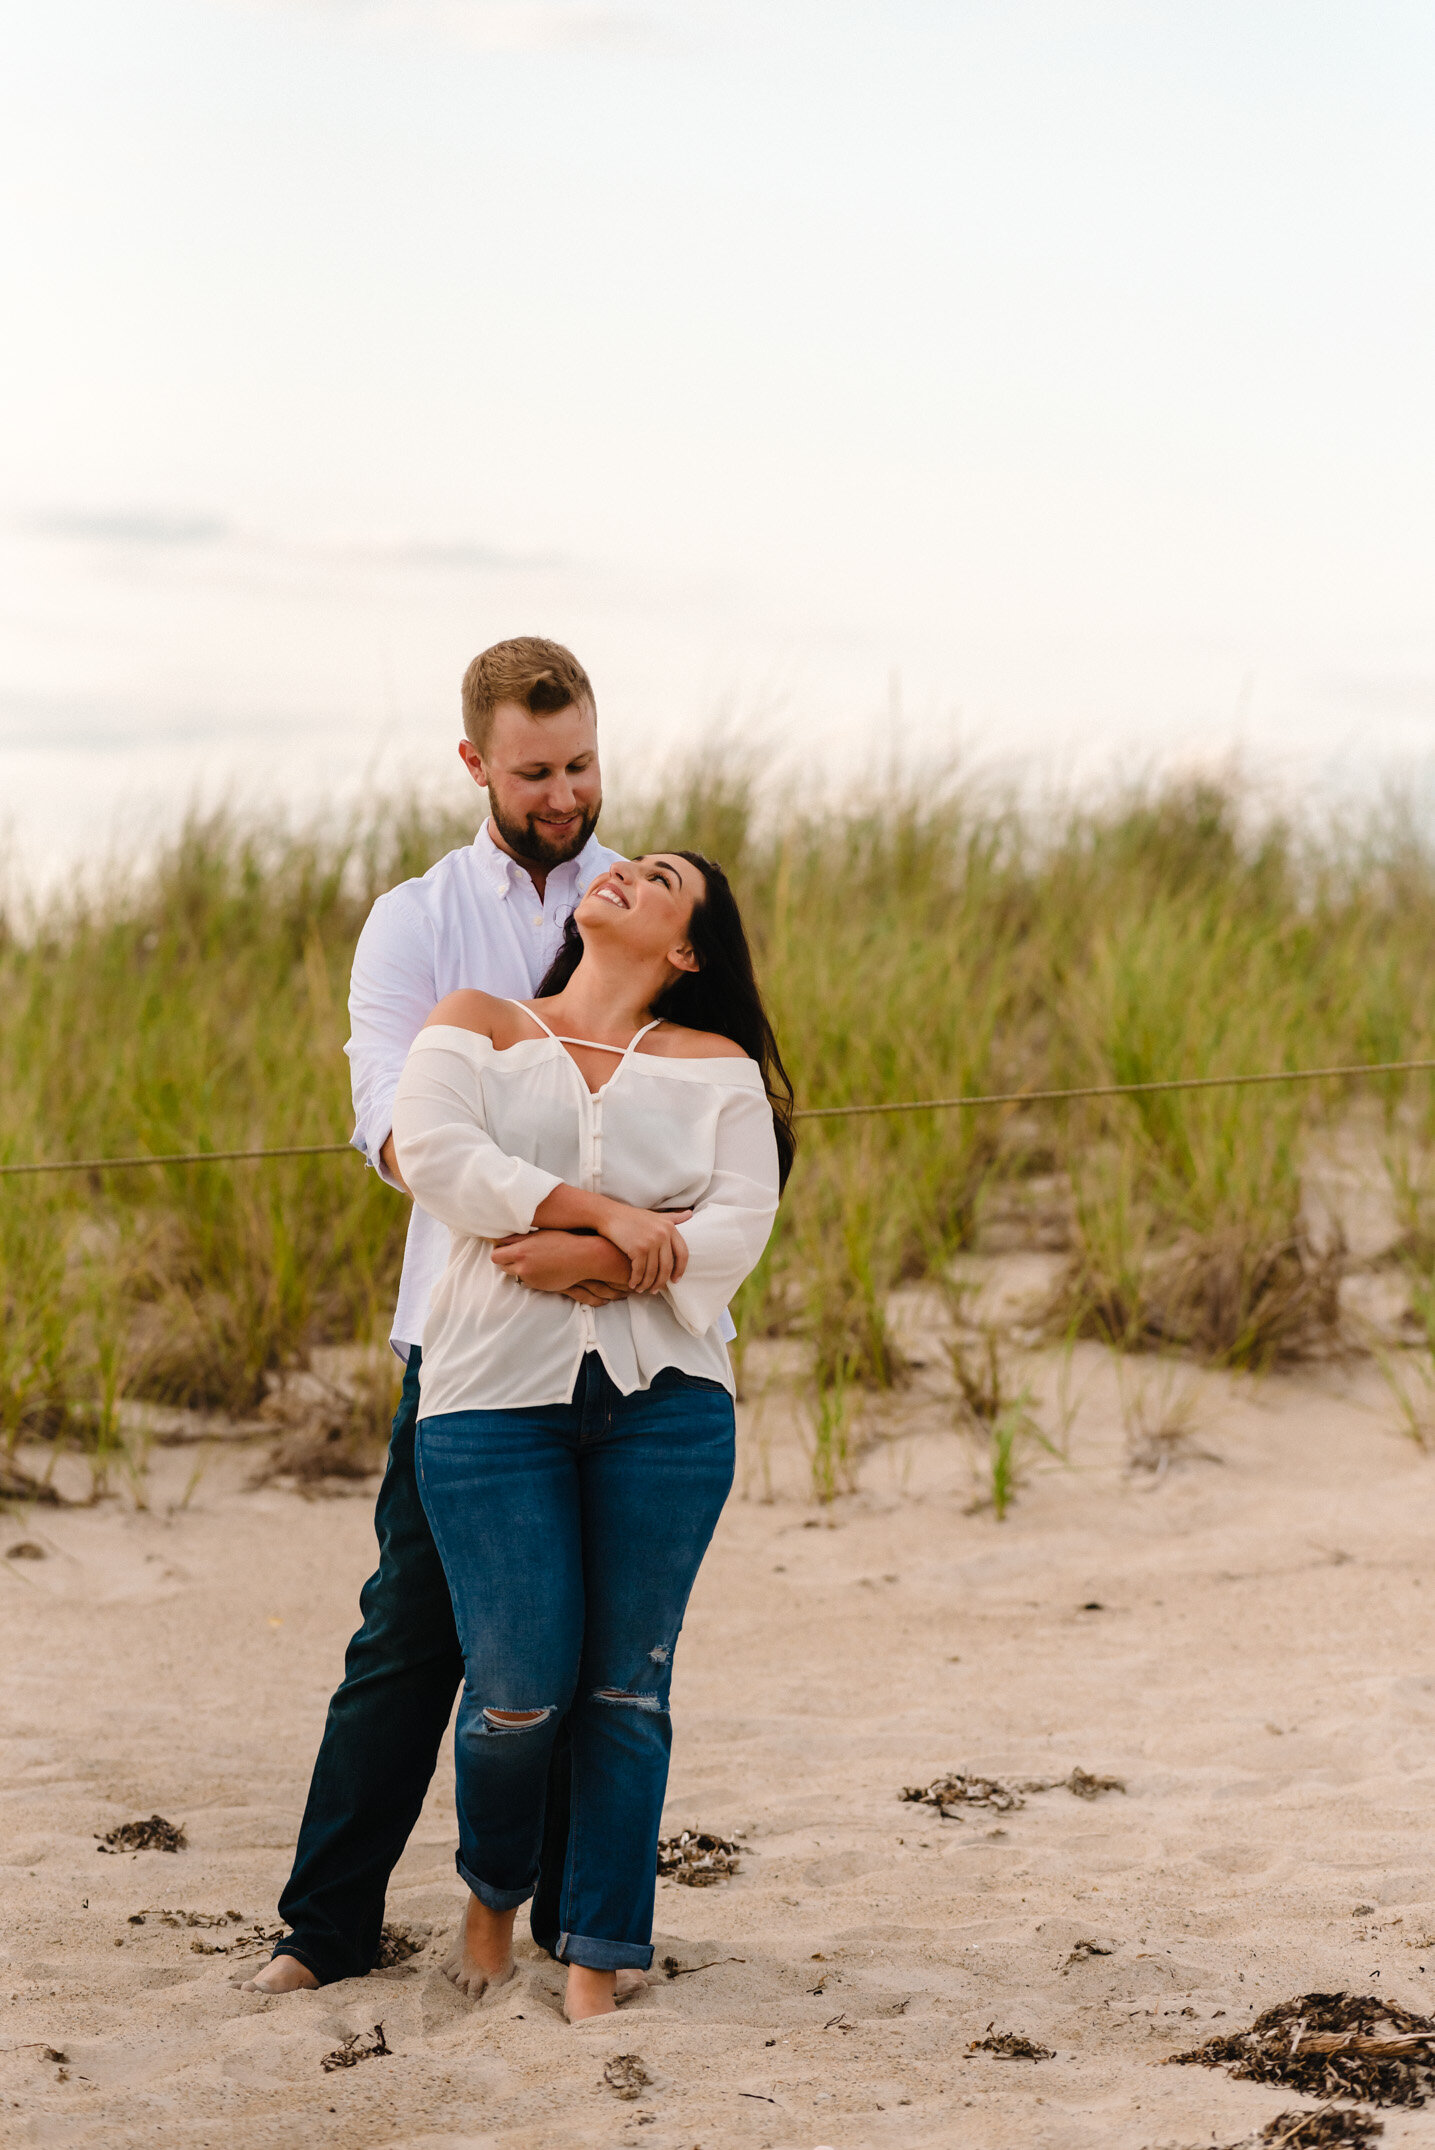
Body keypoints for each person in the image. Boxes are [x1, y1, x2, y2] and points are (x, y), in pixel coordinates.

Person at [249, 636, 625, 1994]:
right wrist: (530, 1210)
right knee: (409, 1632)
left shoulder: (649, 904)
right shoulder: (416, 918)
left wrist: (593, 1241)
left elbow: (691, 1097)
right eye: (533, 772)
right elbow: (393, 1124)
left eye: (580, 762)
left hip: (617, 1330)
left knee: (591, 1639)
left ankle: (585, 1933)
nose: (563, 793)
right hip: (461, 1336)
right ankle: (324, 1928)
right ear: (475, 763)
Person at [389, 845, 793, 2018]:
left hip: (665, 1409)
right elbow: (443, 1162)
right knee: (515, 1690)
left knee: (627, 1690)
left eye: (661, 878)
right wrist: (608, 1212)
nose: (624, 871)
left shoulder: (714, 1065)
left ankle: (599, 1955)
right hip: (486, 1403)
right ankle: (493, 1890)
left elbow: (739, 1224)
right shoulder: (477, 1023)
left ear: (686, 950)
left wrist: (594, 1262)